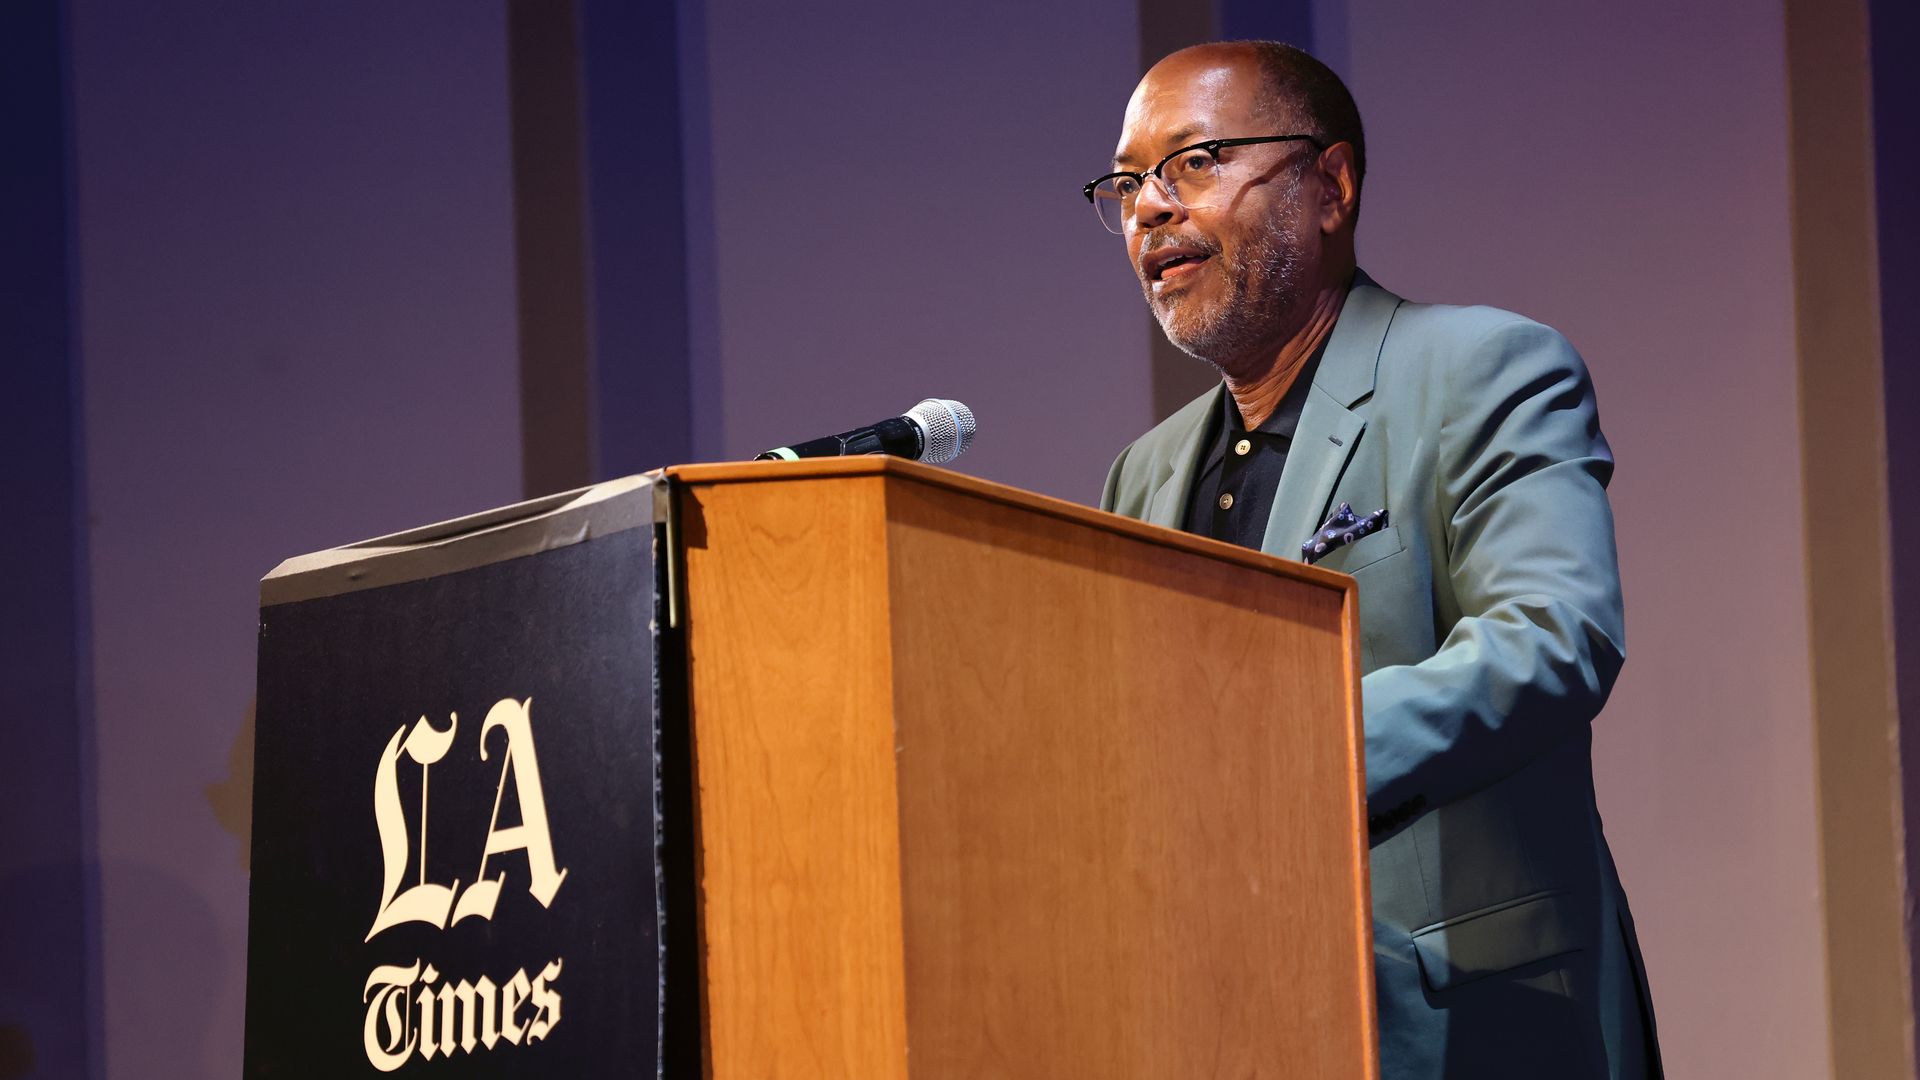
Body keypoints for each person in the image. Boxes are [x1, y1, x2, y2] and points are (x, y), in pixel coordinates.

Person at [1092, 41, 1661, 1079]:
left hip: (1479, 1027)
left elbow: (1553, 637)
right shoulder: (1143, 476)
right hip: (1226, 1022)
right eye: (1127, 182)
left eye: (1196, 161)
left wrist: (1283, 755)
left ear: (1331, 186)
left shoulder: (1479, 367)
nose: (1150, 208)